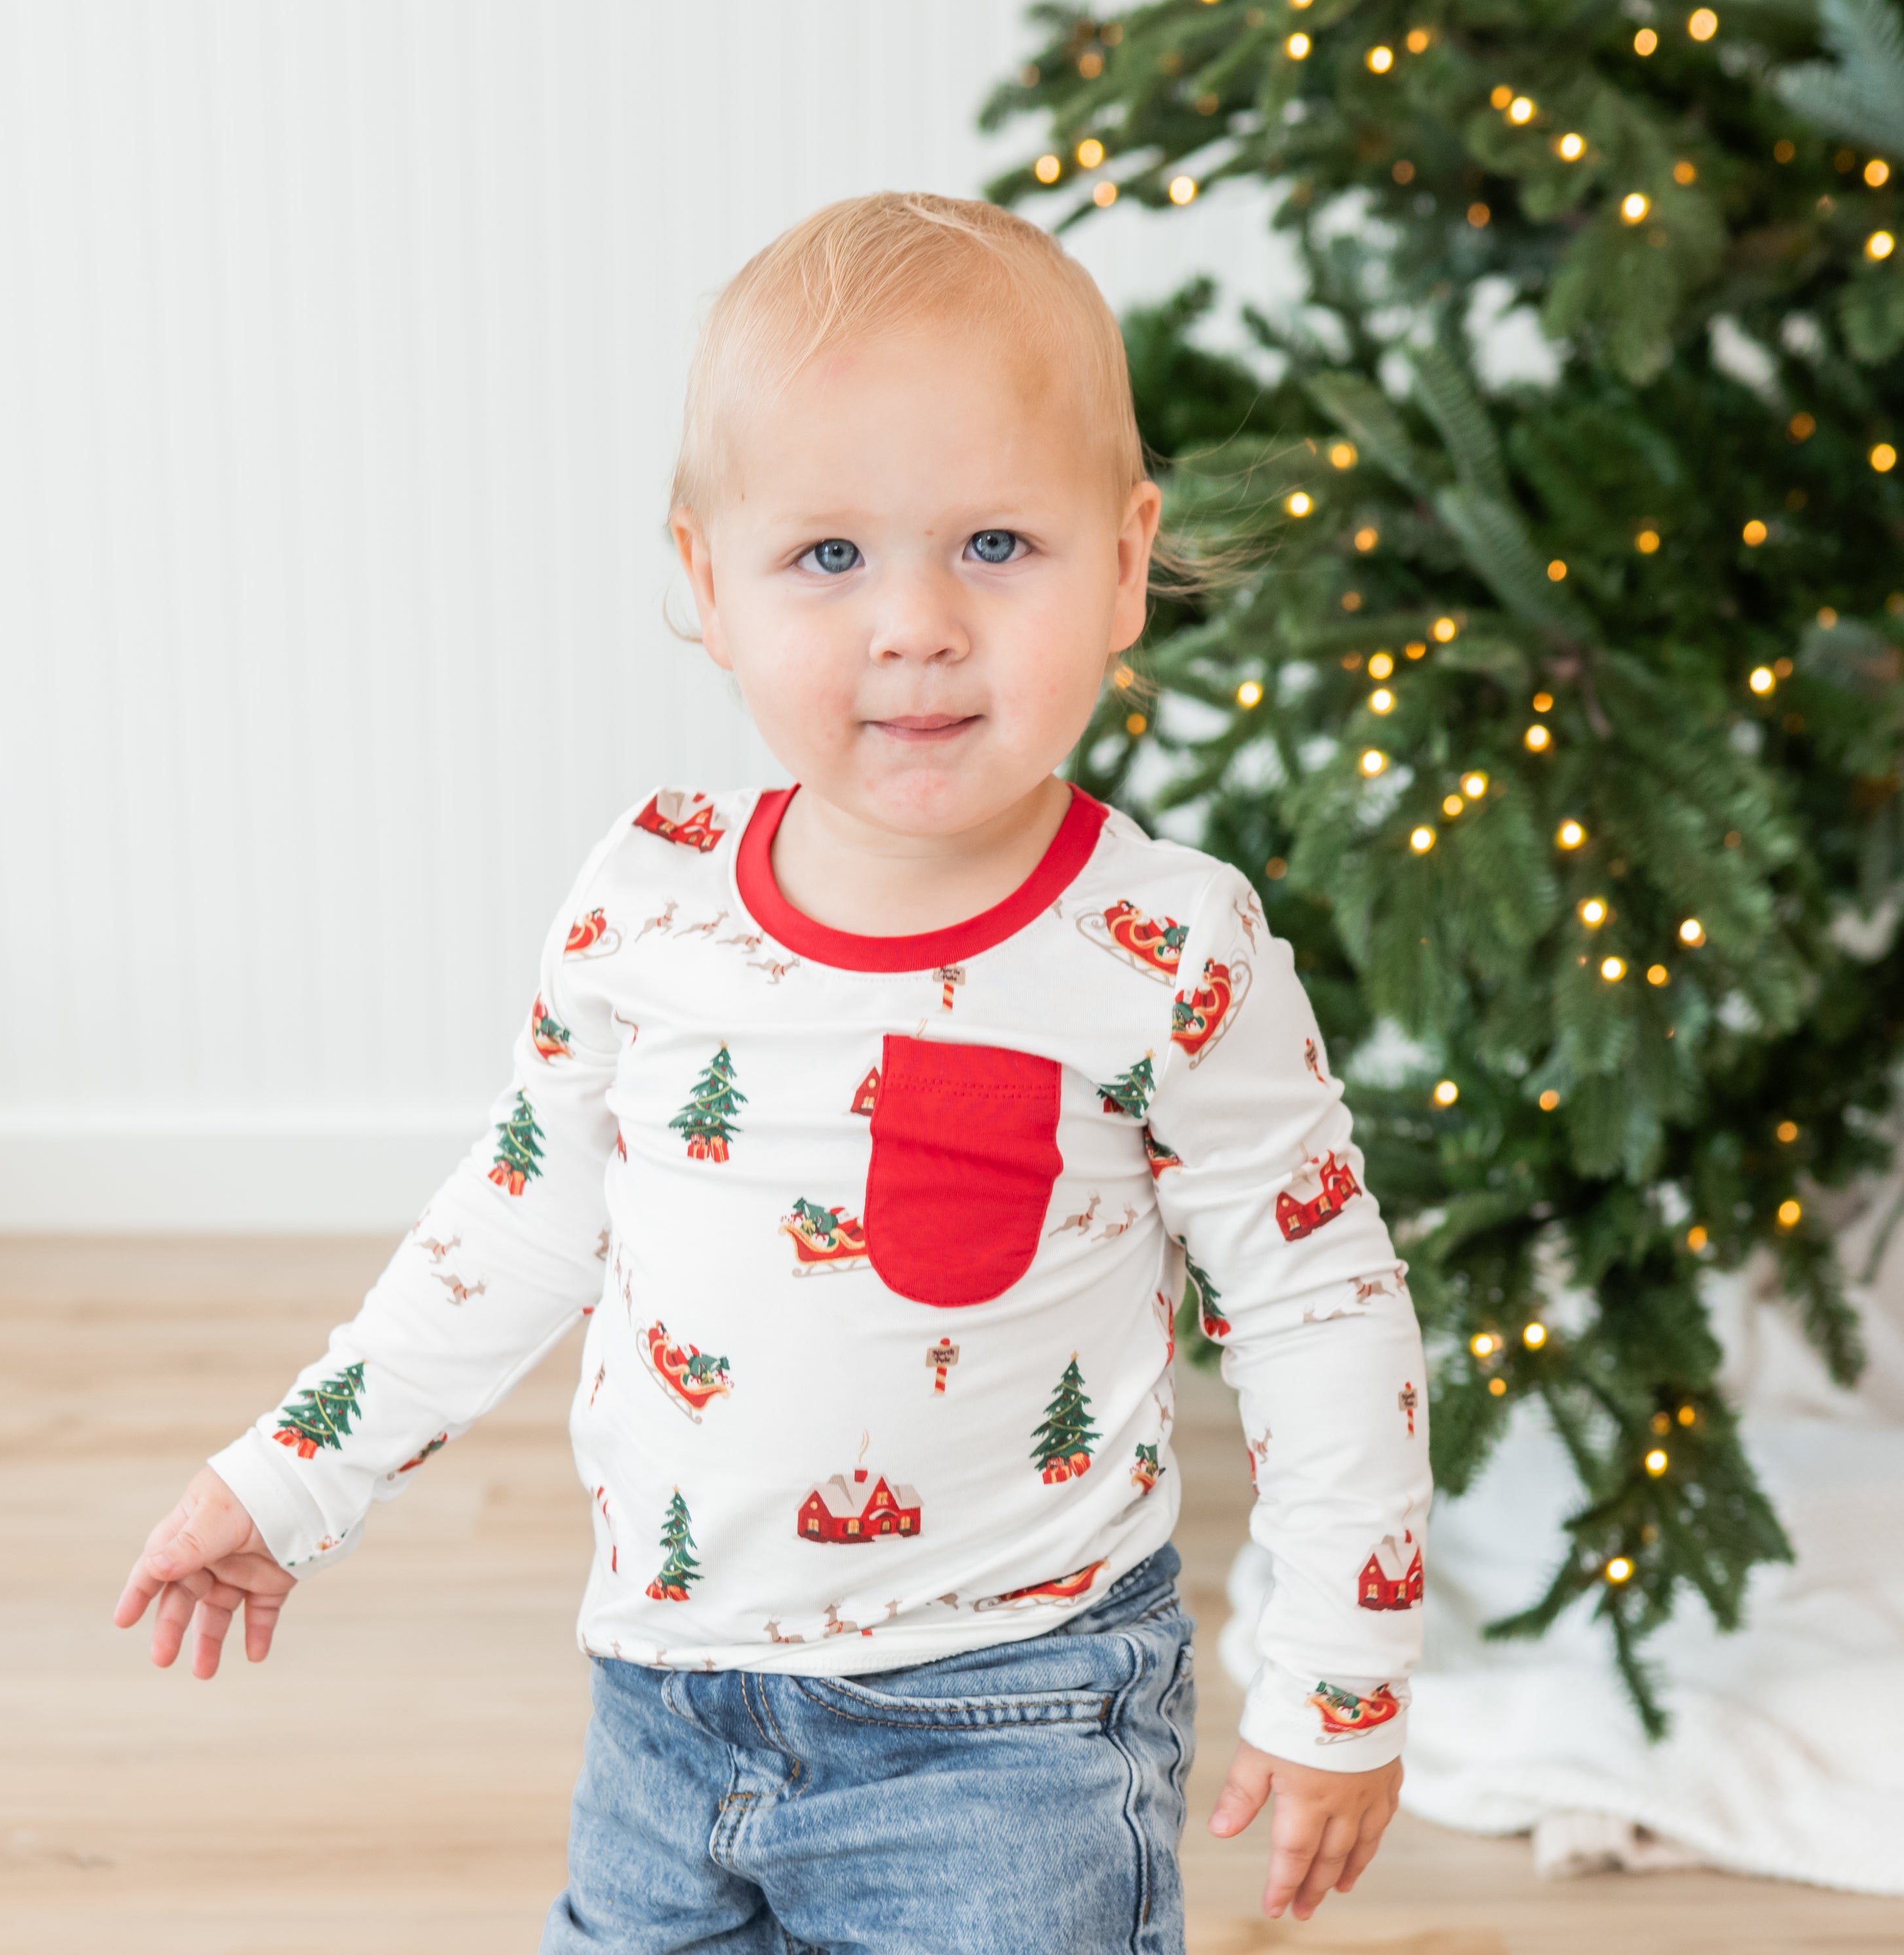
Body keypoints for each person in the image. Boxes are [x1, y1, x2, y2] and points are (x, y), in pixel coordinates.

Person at [113, 192, 1430, 1954]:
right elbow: (513, 1230)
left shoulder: (1166, 949)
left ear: (1125, 564)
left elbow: (1318, 1295)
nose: (914, 626)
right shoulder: (645, 899)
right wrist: (291, 1476)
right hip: (661, 1706)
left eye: (996, 547)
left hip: (1007, 1735)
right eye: (829, 558)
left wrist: (1339, 1662)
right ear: (703, 584)